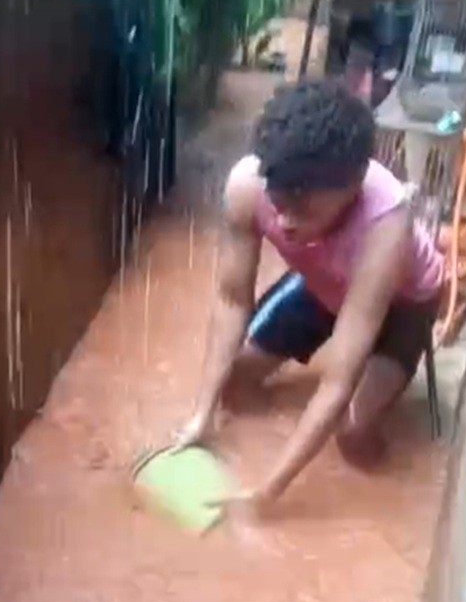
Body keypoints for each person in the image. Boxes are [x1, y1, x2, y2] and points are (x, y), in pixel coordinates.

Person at [177, 79, 445, 516]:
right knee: (233, 385)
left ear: (355, 185)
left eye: (304, 212)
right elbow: (230, 300)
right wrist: (201, 415)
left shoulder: (386, 227)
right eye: (278, 203)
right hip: (322, 282)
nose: (284, 223)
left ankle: (383, 471)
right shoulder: (248, 185)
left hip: (401, 302)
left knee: (352, 435)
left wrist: (269, 490)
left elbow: (338, 378)